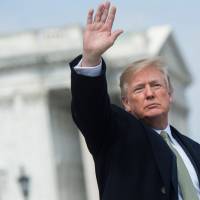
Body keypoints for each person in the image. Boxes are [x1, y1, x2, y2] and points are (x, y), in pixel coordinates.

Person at [69, 2, 200, 200]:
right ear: (126, 103)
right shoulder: (115, 135)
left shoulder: (194, 149)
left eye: (156, 85)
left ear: (170, 94)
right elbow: (91, 110)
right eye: (139, 89)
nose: (149, 93)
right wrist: (91, 58)